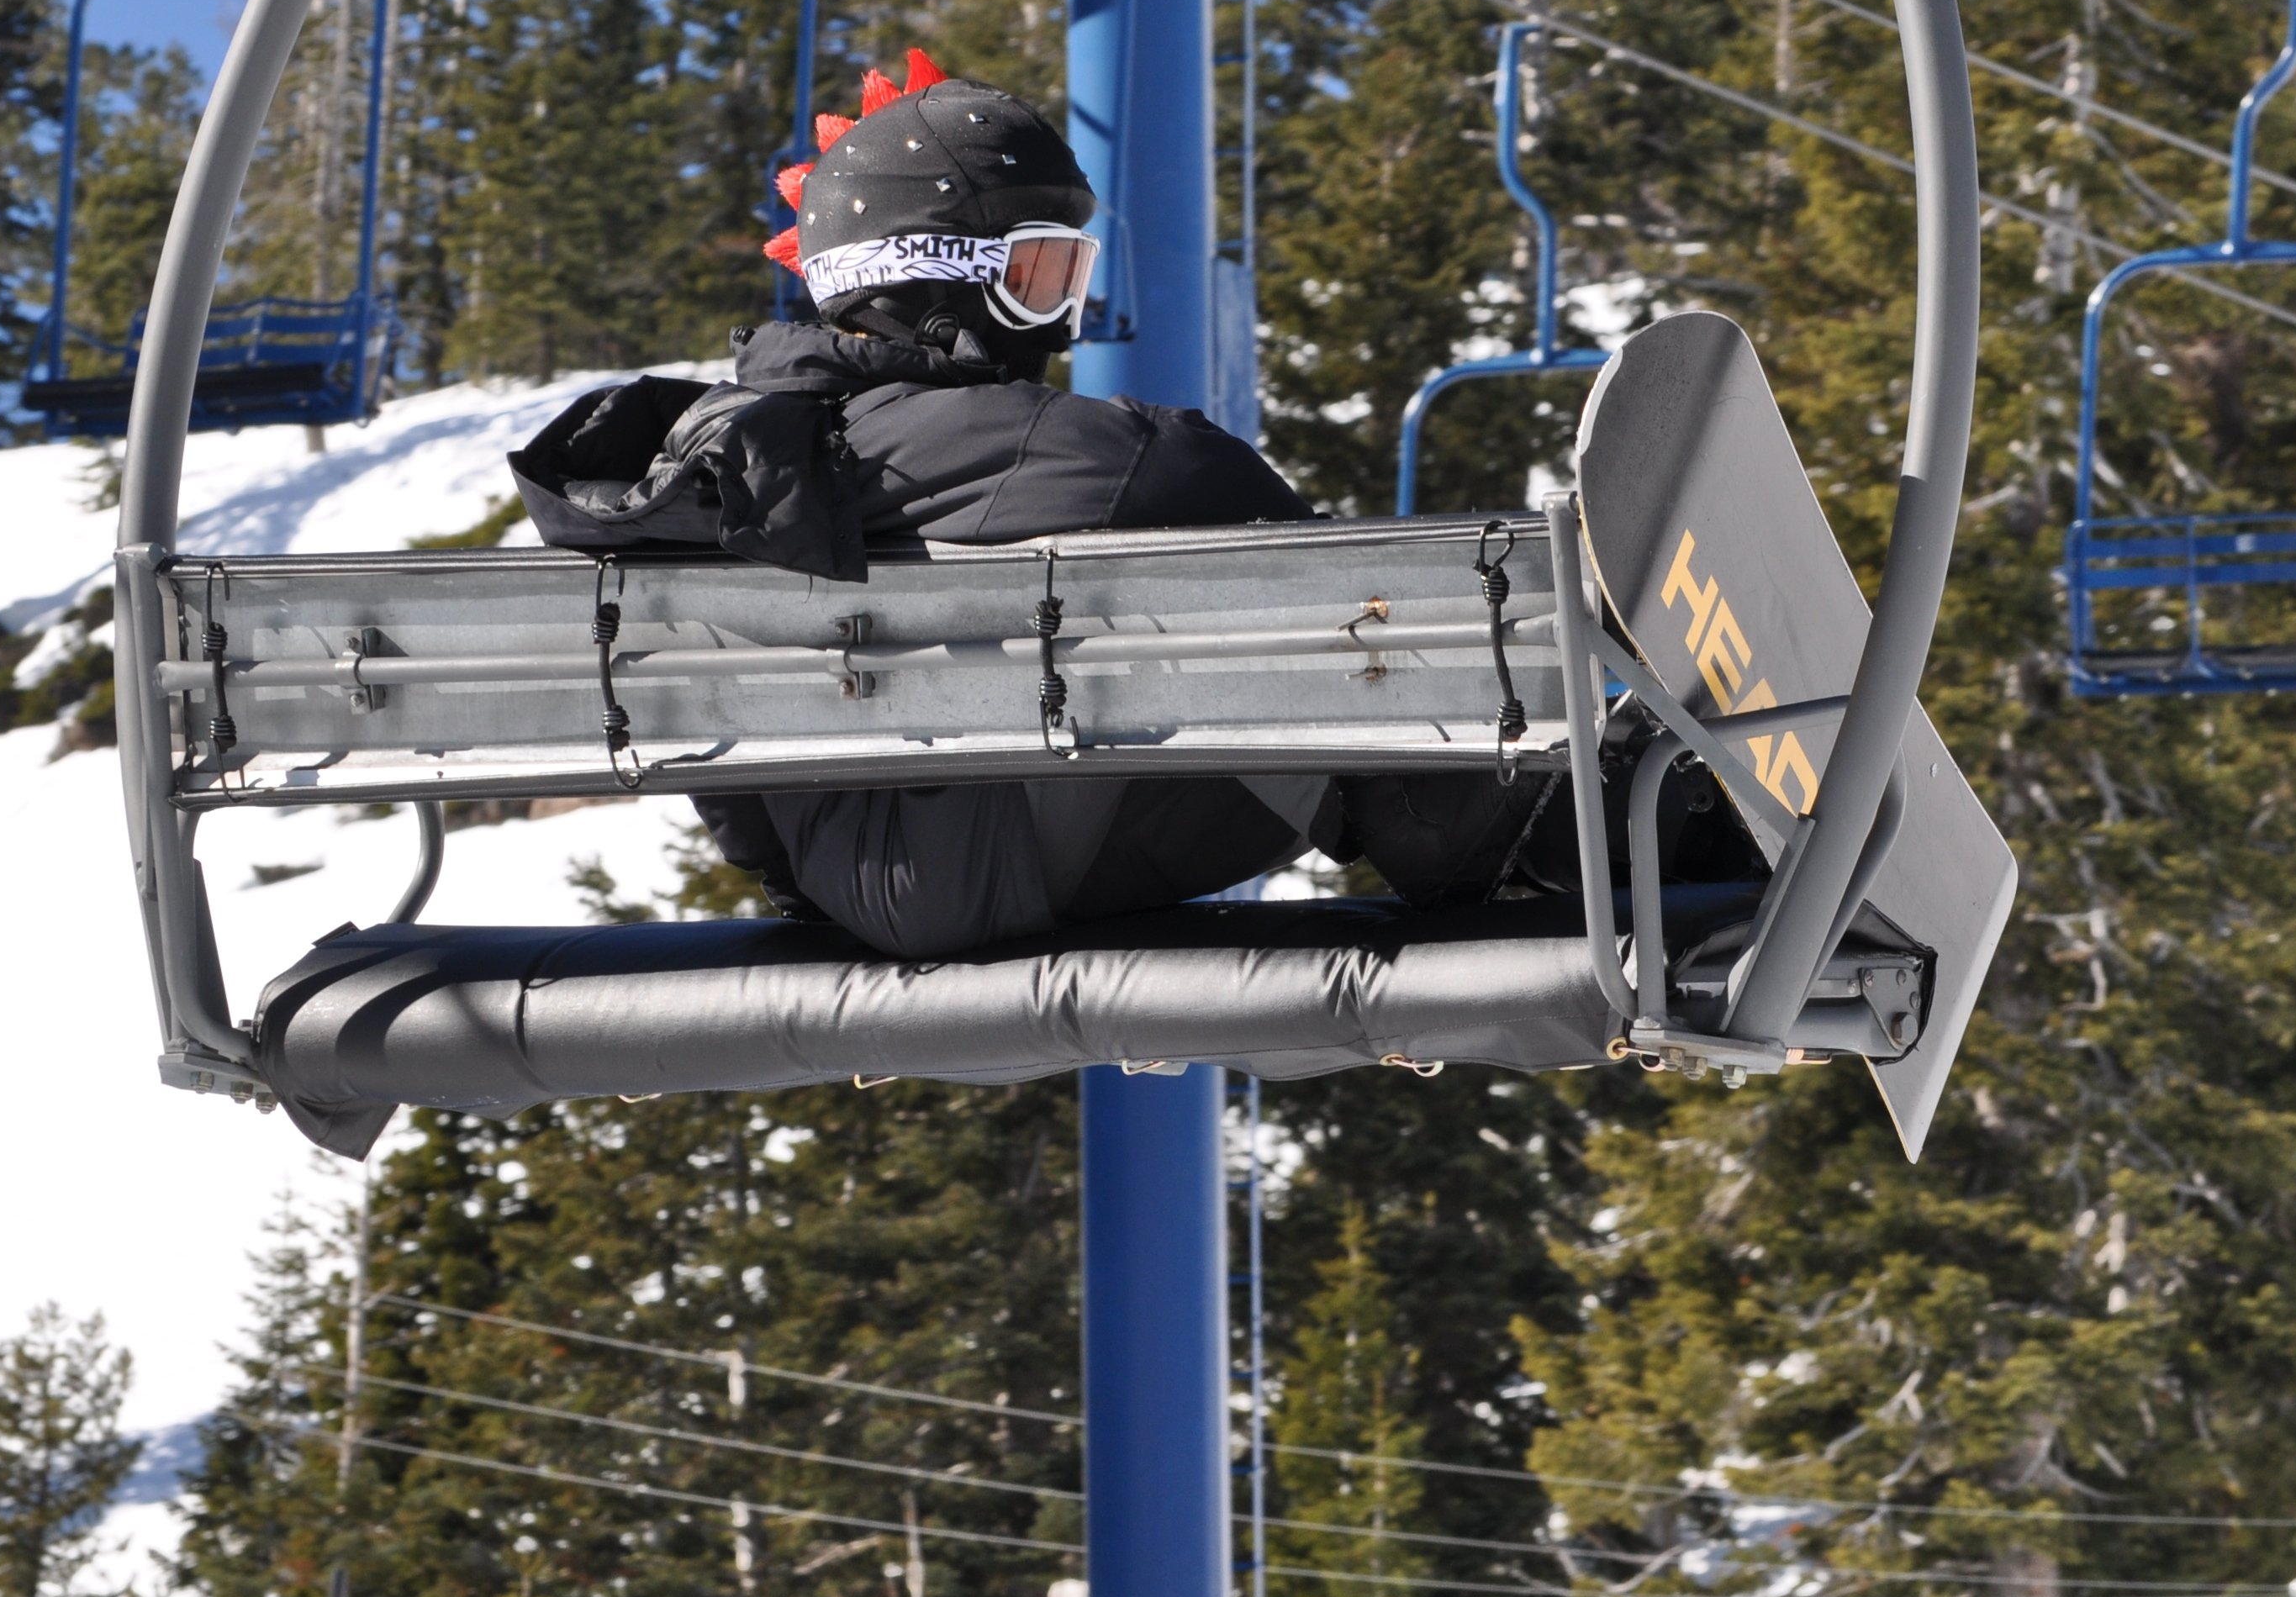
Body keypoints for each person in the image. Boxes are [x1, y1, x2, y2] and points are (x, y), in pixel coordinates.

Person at [504, 50, 1589, 957]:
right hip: (987, 863)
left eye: (1072, 274)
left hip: (868, 870)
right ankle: (1548, 849)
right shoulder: (1014, 441)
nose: (1063, 321)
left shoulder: (745, 448)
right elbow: (1198, 481)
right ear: (930, 273)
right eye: (1037, 275)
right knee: (1307, 623)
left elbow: (733, 775)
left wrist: (799, 874)